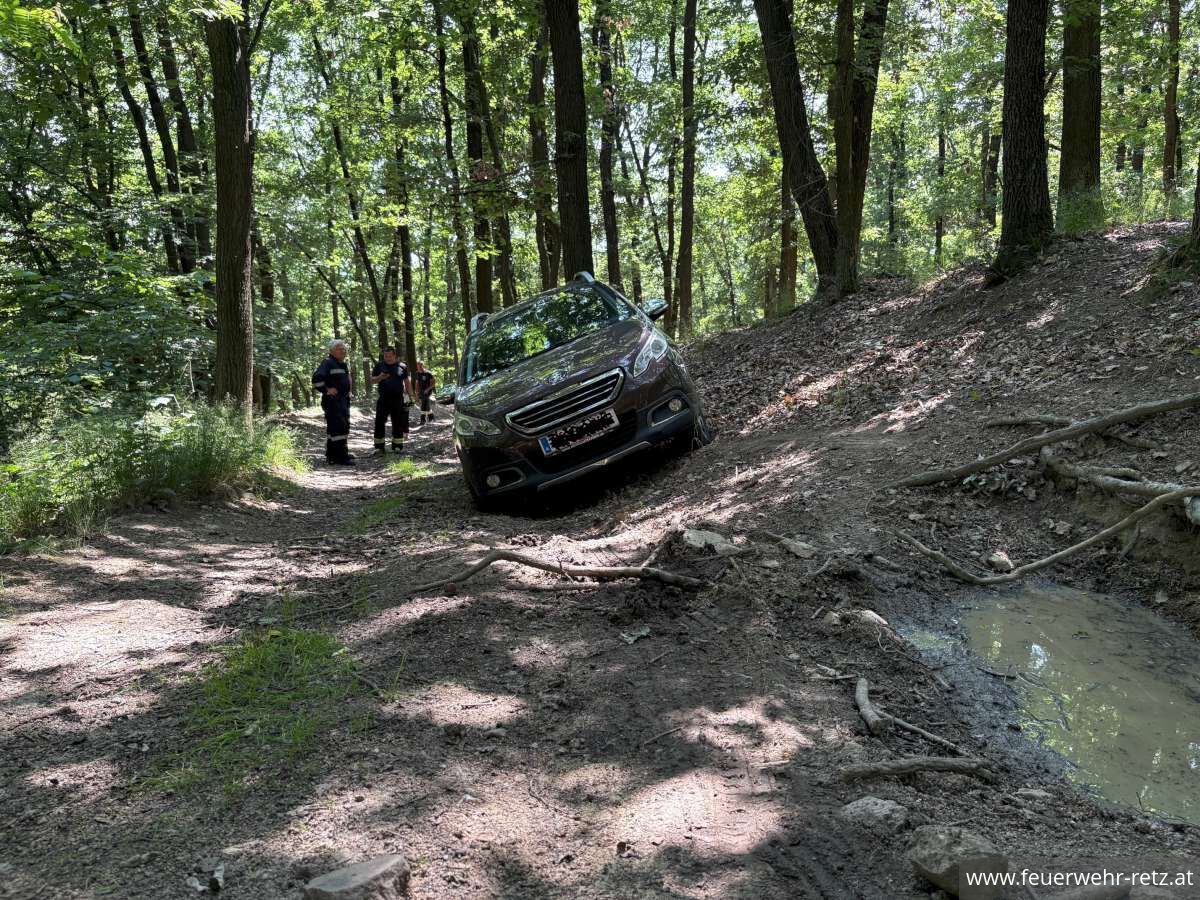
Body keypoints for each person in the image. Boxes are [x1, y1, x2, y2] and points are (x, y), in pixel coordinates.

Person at [312, 339, 355, 466]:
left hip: (342, 400)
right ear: (331, 351)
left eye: (344, 348)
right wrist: (327, 390)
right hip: (333, 402)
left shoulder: (341, 364)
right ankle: (340, 457)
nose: (343, 350)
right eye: (339, 348)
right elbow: (316, 379)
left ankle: (333, 454)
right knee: (338, 427)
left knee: (339, 427)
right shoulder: (328, 362)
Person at [371, 346, 411, 454]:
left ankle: (397, 446)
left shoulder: (402, 366)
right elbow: (372, 380)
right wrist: (380, 377)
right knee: (379, 422)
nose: (387, 358)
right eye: (385, 356)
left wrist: (410, 395)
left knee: (397, 422)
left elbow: (407, 381)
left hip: (398, 399)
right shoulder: (379, 365)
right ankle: (379, 447)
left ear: (394, 356)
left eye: (389, 356)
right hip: (383, 398)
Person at [413, 360, 436, 427]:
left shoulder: (428, 373)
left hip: (428, 391)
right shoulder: (417, 373)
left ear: (423, 365)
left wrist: (428, 389)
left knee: (424, 404)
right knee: (426, 405)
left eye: (420, 366)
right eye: (418, 366)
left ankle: (423, 420)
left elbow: (434, 383)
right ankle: (431, 417)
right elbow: (417, 383)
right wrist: (416, 392)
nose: (419, 367)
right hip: (421, 391)